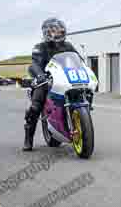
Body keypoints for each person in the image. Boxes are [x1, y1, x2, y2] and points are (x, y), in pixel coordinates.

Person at [23, 18, 79, 151]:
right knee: (36, 107)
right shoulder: (40, 47)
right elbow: (35, 64)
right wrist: (40, 75)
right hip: (46, 80)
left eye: (60, 30)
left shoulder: (68, 46)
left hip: (65, 79)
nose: (58, 33)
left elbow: (78, 60)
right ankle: (28, 138)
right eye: (55, 30)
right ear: (47, 33)